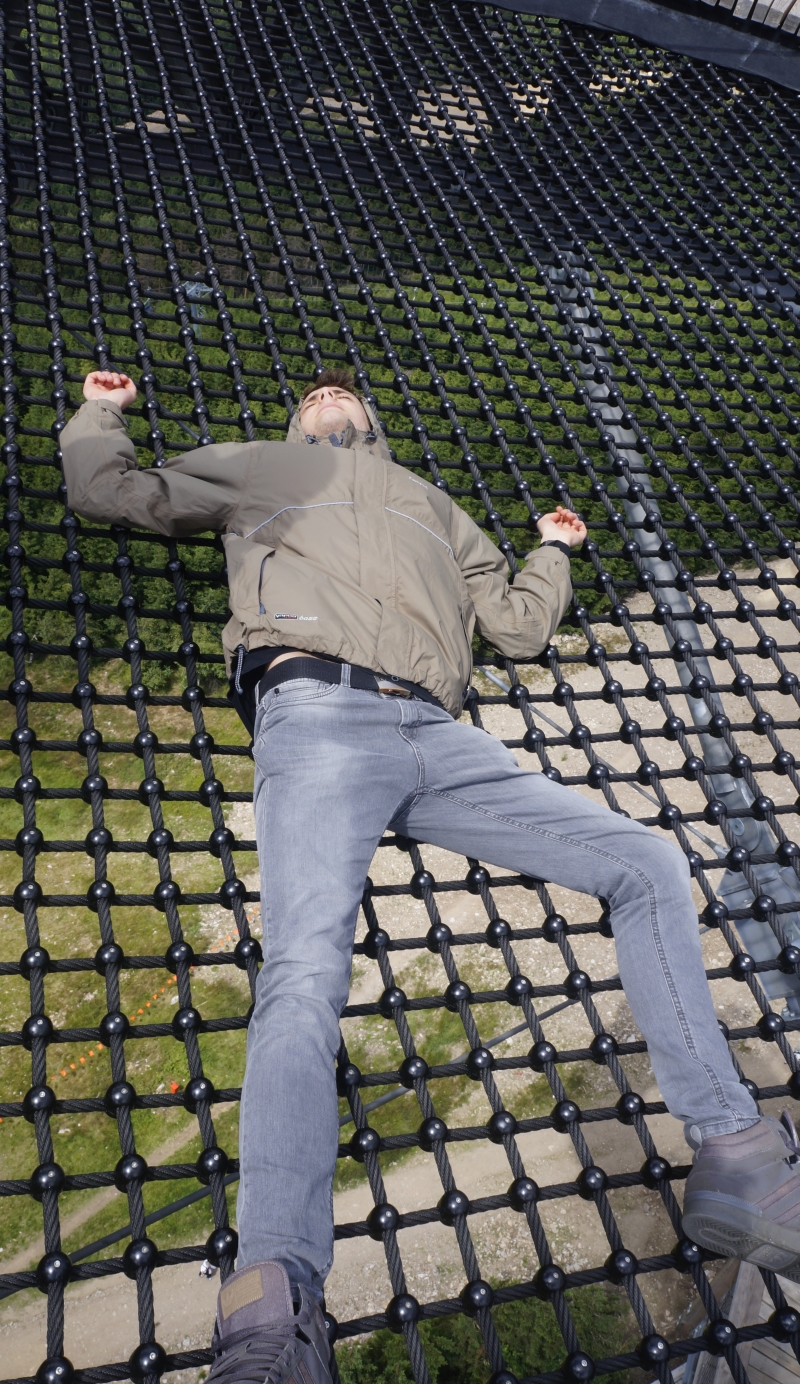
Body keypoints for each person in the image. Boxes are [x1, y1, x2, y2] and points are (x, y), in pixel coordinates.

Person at [61, 368, 800, 1384]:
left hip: (442, 736)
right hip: (315, 708)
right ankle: (273, 1307)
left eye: (342, 390)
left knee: (643, 862)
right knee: (303, 978)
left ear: (369, 420)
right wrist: (101, 411)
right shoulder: (257, 467)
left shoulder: (436, 507)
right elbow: (111, 490)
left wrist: (552, 551)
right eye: (311, 393)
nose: (327, 393)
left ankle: (736, 1156)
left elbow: (518, 628)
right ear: (296, 422)